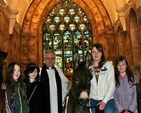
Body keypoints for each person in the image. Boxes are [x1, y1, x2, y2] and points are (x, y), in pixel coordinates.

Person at [89, 43, 115, 113]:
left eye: (98, 52)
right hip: (93, 98)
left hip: (107, 99)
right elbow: (88, 85)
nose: (96, 54)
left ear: (102, 54)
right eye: (94, 52)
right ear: (91, 54)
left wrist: (104, 101)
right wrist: (88, 97)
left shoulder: (108, 66)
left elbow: (112, 84)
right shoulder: (89, 69)